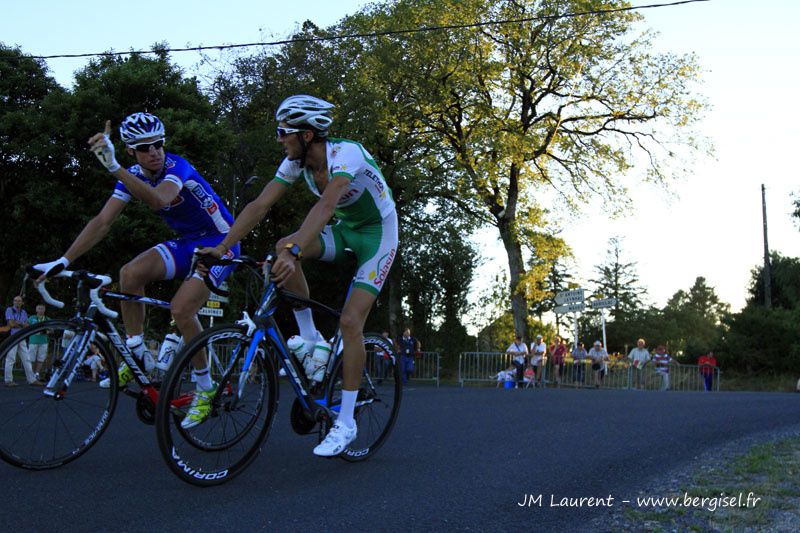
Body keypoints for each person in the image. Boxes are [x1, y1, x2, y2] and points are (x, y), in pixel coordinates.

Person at [197, 95, 398, 457]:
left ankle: (347, 423)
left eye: (283, 133)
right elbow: (260, 205)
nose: (279, 139)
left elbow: (326, 205)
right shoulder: (296, 165)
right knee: (281, 245)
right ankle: (310, 341)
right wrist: (225, 246)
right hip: (346, 229)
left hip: (378, 235)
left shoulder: (345, 155)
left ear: (307, 135)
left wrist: (294, 252)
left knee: (351, 322)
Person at [32, 113, 240, 418]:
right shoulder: (133, 175)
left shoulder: (176, 166)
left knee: (181, 309)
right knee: (129, 274)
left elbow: (159, 200)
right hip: (188, 242)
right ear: (131, 150)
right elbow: (102, 222)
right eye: (145, 147)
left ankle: (207, 386)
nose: (154, 151)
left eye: (158, 143)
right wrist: (64, 259)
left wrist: (114, 167)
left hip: (223, 242)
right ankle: (137, 352)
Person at [4, 295, 42, 386]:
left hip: (21, 337)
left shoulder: (23, 312)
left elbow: (26, 326)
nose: (17, 302)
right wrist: (21, 324)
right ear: (13, 302)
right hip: (13, 337)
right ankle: (8, 380)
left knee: (26, 359)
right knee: (11, 358)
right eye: (15, 300)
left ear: (22, 303)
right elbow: (12, 324)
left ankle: (31, 380)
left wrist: (18, 323)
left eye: (19, 301)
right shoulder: (9, 310)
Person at [27, 303, 50, 381]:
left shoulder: (47, 319)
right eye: (39, 308)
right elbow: (26, 327)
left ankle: (37, 374)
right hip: (33, 341)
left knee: (41, 359)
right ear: (36, 309)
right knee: (31, 359)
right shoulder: (32, 318)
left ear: (45, 310)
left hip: (43, 342)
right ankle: (31, 375)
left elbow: (52, 330)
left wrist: (46, 332)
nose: (40, 310)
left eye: (42, 308)